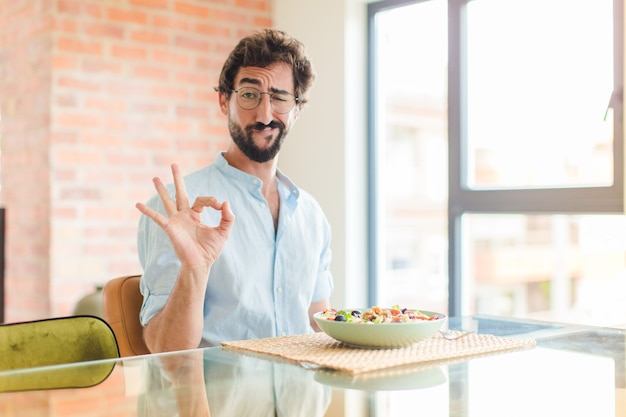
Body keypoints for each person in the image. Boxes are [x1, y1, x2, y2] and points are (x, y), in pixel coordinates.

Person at [135, 28, 333, 353]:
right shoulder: (180, 211)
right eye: (249, 95)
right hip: (219, 401)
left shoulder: (312, 215)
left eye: (280, 98)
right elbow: (165, 353)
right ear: (224, 100)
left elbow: (318, 326)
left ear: (296, 110)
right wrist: (194, 269)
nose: (265, 115)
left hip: (301, 400)